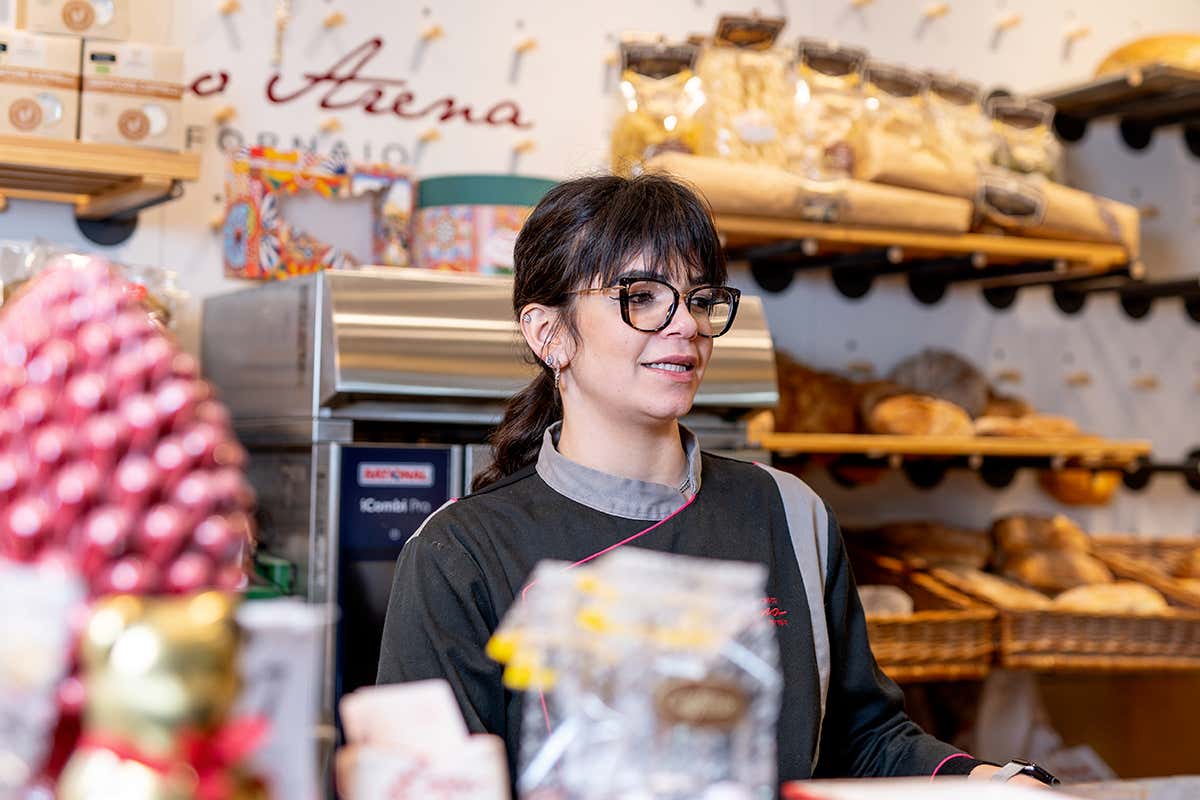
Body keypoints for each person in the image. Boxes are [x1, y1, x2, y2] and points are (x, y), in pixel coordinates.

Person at [377, 174, 1050, 789]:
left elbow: (862, 737)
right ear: (548, 333)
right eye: (640, 297)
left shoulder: (790, 513)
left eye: (701, 298)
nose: (687, 325)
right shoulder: (459, 554)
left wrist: (988, 780)